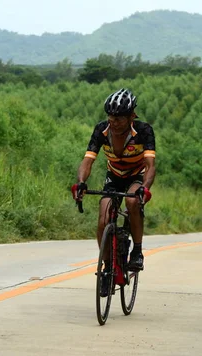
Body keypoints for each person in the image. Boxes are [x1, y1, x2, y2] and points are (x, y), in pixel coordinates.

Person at [72, 88, 156, 279]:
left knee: (132, 202)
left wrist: (145, 188)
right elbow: (88, 161)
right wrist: (81, 182)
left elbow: (151, 165)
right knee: (103, 219)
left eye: (119, 119)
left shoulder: (143, 131)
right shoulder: (101, 130)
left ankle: (137, 250)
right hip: (114, 175)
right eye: (111, 118)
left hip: (137, 175)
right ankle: (108, 267)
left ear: (131, 116)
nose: (114, 123)